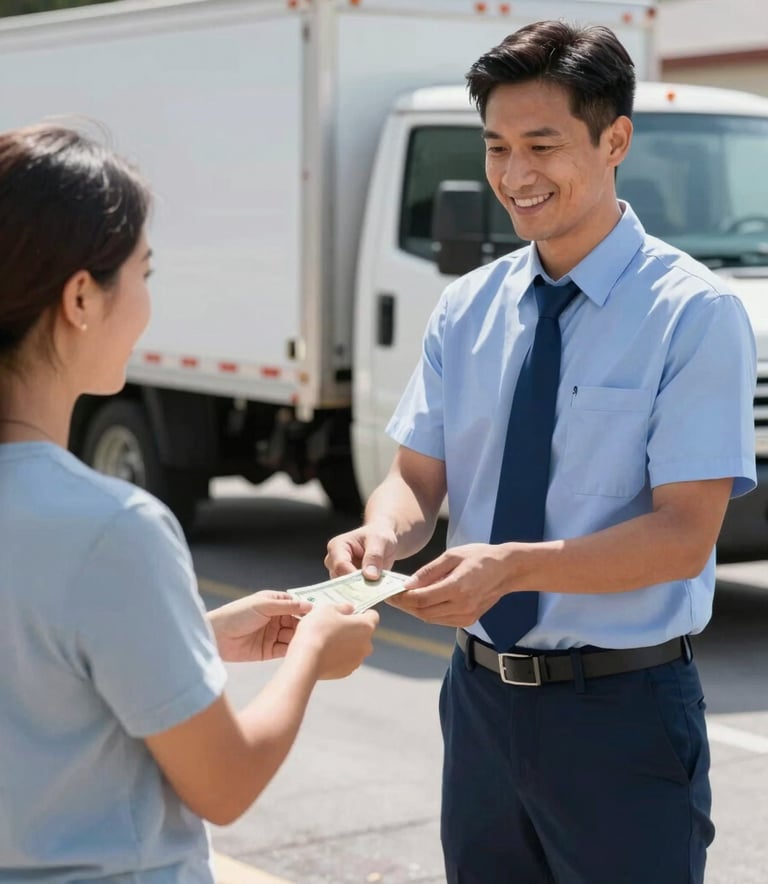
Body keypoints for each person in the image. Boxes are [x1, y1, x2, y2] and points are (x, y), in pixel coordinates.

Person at [325, 20, 757, 884]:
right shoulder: (467, 307)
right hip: (480, 705)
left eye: (542, 145)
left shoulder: (695, 314)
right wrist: (380, 534)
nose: (515, 175)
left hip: (624, 716)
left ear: (615, 140)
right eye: (496, 146)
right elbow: (415, 478)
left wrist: (511, 569)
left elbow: (683, 535)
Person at [0, 123, 379, 882]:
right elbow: (225, 782)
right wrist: (310, 653)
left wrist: (194, 639)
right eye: (144, 272)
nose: (146, 302)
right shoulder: (113, 529)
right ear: (81, 296)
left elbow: (37, 675)